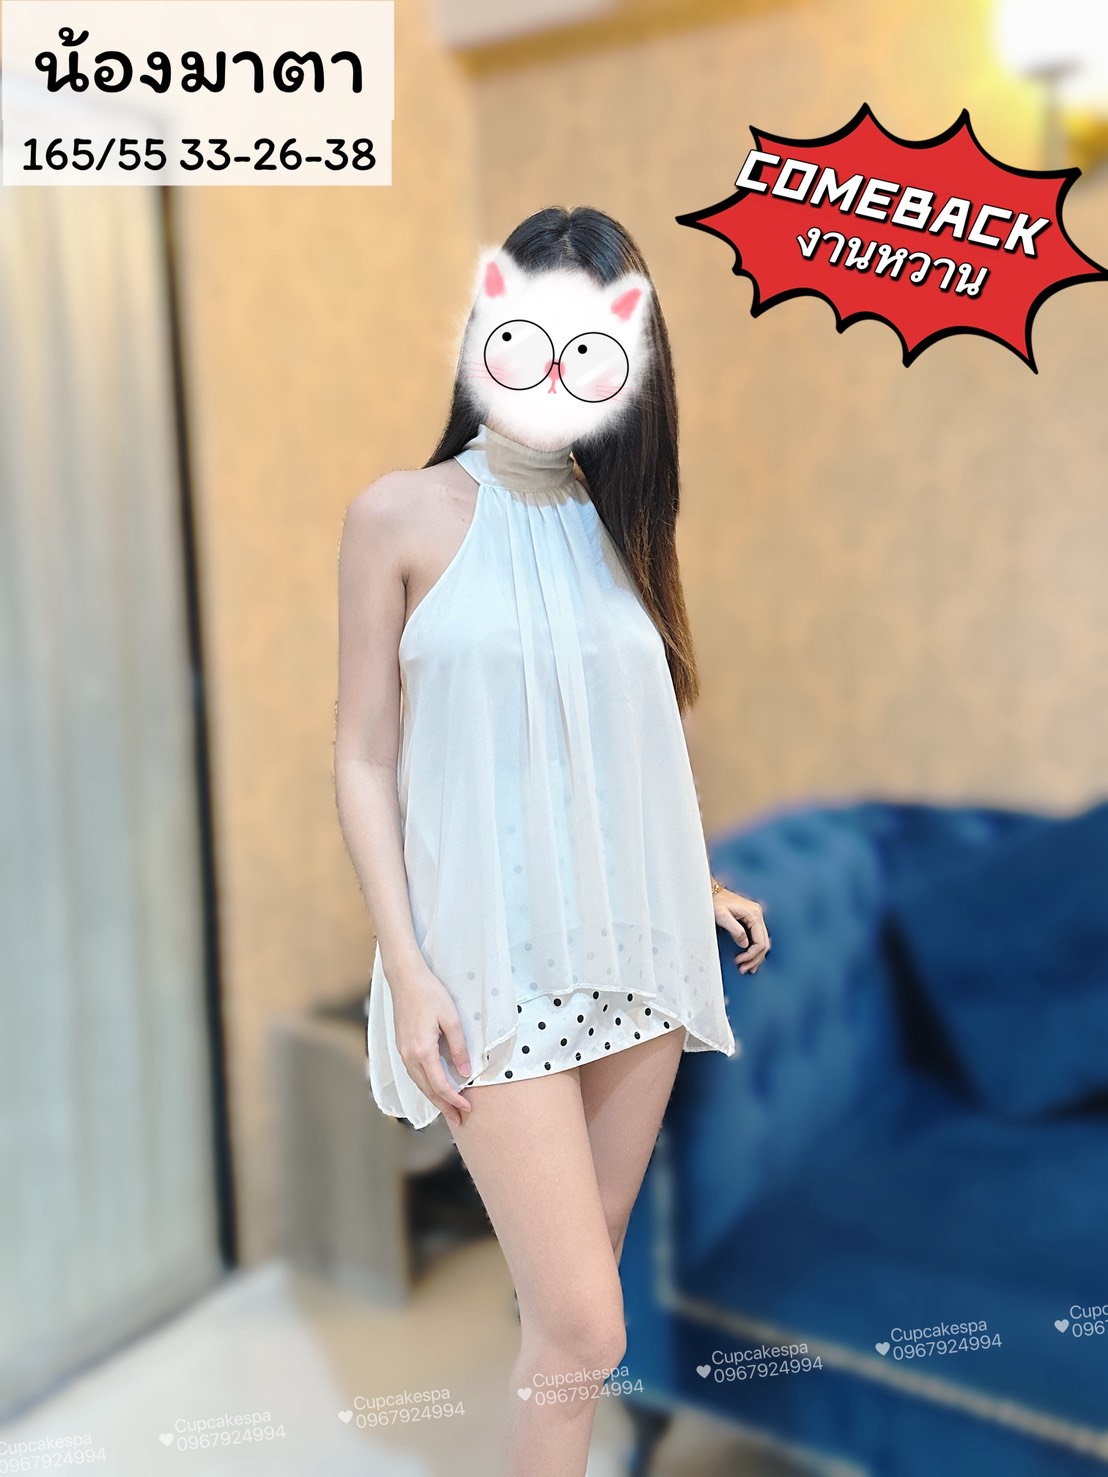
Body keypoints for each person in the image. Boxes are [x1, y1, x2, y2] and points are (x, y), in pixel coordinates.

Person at [334, 205, 770, 1477]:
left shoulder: (621, 523)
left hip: (635, 948)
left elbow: (630, 736)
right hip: (487, 967)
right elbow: (362, 755)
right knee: (585, 1326)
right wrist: (408, 967)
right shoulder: (398, 515)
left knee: (567, 1321)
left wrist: (691, 876)